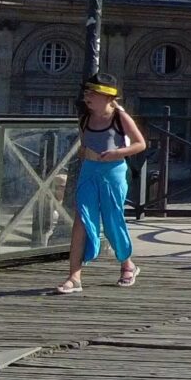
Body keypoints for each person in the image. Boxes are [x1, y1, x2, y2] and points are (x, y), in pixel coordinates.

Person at [51, 80, 147, 294]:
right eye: (86, 93)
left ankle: (127, 264)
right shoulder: (84, 118)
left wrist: (117, 153)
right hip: (89, 170)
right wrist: (86, 154)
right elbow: (84, 146)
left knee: (113, 219)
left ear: (108, 98)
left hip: (113, 172)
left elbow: (140, 143)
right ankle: (74, 277)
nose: (87, 97)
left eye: (92, 93)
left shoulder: (119, 117)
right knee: (82, 218)